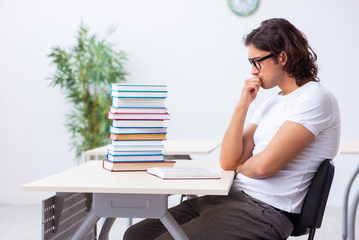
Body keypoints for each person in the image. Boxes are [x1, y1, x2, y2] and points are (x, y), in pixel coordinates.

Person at [123, 18, 340, 240]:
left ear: (282, 57)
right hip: (229, 198)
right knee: (136, 234)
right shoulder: (270, 103)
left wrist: (240, 166)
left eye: (257, 61)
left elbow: (264, 167)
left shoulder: (314, 98)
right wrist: (242, 104)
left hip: (264, 211)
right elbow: (227, 161)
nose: (253, 71)